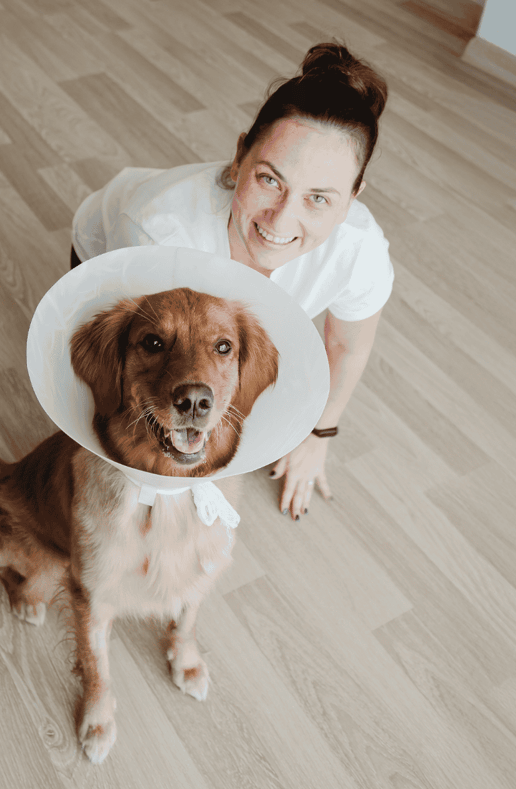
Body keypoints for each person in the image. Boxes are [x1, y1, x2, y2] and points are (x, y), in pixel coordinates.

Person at [69, 42, 392, 522]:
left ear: (353, 196)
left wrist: (318, 436)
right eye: (269, 180)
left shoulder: (360, 251)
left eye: (319, 198)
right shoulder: (157, 234)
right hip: (105, 247)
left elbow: (346, 347)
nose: (281, 220)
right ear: (240, 155)